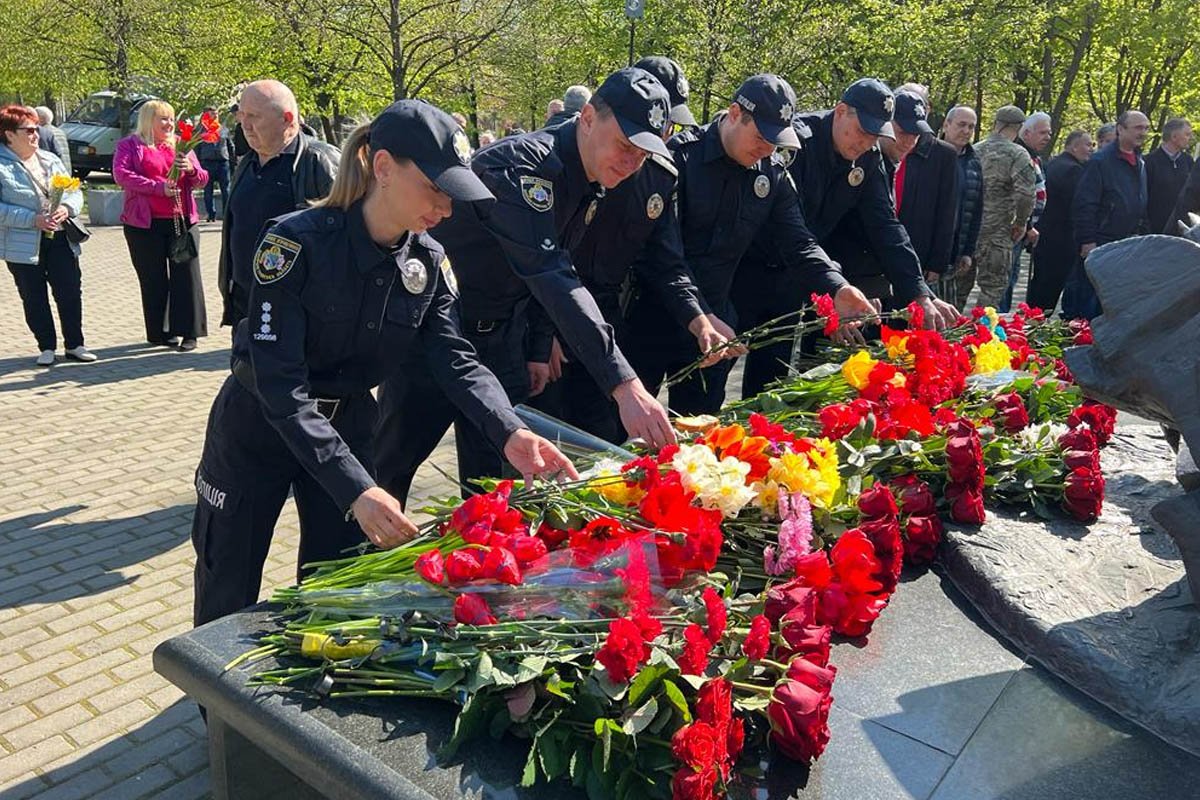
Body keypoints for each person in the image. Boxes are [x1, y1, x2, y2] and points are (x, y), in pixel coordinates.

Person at [190, 99, 577, 628]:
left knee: (335, 596)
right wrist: (358, 488)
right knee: (227, 588)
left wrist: (510, 430)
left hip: (347, 424)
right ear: (384, 167)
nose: (445, 209)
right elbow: (279, 383)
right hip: (257, 428)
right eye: (436, 189)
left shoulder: (427, 260)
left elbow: (455, 360)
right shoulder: (294, 243)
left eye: (453, 194)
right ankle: (217, 710)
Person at [374, 67, 678, 503]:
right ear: (588, 117)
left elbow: (550, 268)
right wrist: (625, 384)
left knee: (495, 489)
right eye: (625, 146)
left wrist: (539, 347)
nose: (631, 163)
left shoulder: (590, 182)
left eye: (643, 156)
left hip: (498, 343)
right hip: (435, 339)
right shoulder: (523, 168)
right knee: (389, 474)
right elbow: (549, 271)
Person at [632, 74, 875, 407]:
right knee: (623, 433)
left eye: (776, 141)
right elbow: (663, 255)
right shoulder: (681, 158)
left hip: (716, 330)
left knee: (695, 435)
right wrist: (698, 315)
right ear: (734, 114)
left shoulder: (771, 173)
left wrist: (837, 286)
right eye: (761, 137)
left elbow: (799, 241)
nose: (766, 149)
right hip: (655, 319)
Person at [534, 55, 729, 442]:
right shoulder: (562, 160)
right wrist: (542, 335)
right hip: (547, 320)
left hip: (604, 317)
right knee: (547, 437)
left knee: (601, 436)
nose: (662, 137)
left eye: (668, 126)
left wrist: (700, 317)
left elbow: (665, 259)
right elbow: (542, 260)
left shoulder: (658, 175)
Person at [736, 78, 953, 398]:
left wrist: (919, 292)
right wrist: (832, 290)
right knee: (713, 370)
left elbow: (886, 227)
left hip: (798, 277)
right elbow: (789, 232)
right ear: (840, 112)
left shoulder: (867, 158)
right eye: (863, 131)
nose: (867, 142)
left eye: (875, 135)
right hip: (748, 268)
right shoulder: (796, 143)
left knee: (770, 379)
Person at [217, 80, 339, 328]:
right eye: (242, 116)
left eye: (254, 116)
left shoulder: (320, 161)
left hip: (299, 308)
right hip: (246, 303)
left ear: (287, 118)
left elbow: (349, 232)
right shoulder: (246, 164)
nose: (245, 125)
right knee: (244, 367)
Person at [830, 88, 960, 307]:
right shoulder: (860, 155)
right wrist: (852, 287)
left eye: (916, 135)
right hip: (840, 277)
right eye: (902, 132)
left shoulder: (880, 161)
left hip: (877, 279)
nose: (909, 141)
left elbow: (888, 226)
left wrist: (922, 292)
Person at [0, 105, 95, 366]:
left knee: (70, 291)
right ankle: (46, 346)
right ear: (9, 135)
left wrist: (66, 208)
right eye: (29, 130)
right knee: (33, 295)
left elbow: (73, 191)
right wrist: (33, 220)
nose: (36, 135)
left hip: (60, 237)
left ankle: (75, 344)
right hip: (23, 243)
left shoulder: (49, 159)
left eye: (37, 129)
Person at [113, 100, 209, 350]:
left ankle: (189, 332)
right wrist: (157, 188)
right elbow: (122, 176)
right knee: (153, 279)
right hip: (144, 225)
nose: (168, 124)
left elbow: (202, 179)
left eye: (170, 118)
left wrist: (190, 170)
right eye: (162, 118)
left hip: (181, 221)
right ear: (148, 120)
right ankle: (160, 332)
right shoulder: (130, 146)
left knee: (186, 276)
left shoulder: (182, 145)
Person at [1066, 110, 1150, 320]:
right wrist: (1087, 241)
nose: (1143, 132)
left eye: (1146, 128)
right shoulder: (1100, 162)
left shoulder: (1140, 162)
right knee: (1091, 302)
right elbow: (1085, 203)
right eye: (1138, 127)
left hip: (1126, 243)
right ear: (1120, 129)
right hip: (1101, 242)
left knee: (1113, 303)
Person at [969, 105, 1036, 307]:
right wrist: (1021, 222)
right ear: (1020, 128)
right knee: (993, 289)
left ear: (995, 123)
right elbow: (1026, 194)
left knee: (958, 290)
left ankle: (947, 335)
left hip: (967, 231)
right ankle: (980, 332)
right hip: (997, 233)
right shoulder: (1018, 154)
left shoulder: (973, 150)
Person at [1027, 129, 1092, 312]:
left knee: (1040, 286)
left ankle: (1031, 321)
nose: (1091, 149)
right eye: (1087, 144)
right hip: (1060, 240)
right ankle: (1035, 325)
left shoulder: (1053, 163)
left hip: (1046, 236)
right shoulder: (1073, 170)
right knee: (1048, 291)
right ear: (1073, 146)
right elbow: (1077, 206)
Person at [1003, 111, 1051, 311]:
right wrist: (1027, 224)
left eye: (1049, 133)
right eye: (1043, 133)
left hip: (1022, 232)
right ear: (1027, 132)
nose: (1047, 137)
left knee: (1012, 278)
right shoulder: (1018, 154)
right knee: (1004, 281)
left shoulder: (1034, 156)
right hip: (1013, 228)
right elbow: (1018, 194)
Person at [942, 105, 983, 307]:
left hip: (957, 253)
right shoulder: (928, 155)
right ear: (946, 125)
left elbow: (976, 212)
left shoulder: (974, 163)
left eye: (971, 127)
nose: (966, 131)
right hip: (928, 256)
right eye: (961, 125)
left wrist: (968, 251)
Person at [1145, 117, 1193, 234]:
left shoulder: (1188, 161)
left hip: (1183, 228)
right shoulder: (1149, 162)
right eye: (1187, 134)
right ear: (1174, 136)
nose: (1190, 138)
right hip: (1156, 229)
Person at [195, 106, 233, 223]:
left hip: (222, 162)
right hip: (207, 163)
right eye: (212, 113)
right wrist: (197, 164)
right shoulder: (201, 130)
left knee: (226, 190)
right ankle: (211, 215)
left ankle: (227, 214)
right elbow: (196, 148)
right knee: (208, 190)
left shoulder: (223, 128)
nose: (215, 115)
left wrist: (232, 160)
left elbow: (230, 145)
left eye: (216, 113)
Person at [33, 106, 71, 175]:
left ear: (41, 119)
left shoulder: (44, 134)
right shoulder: (60, 132)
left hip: (56, 172)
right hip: (66, 169)